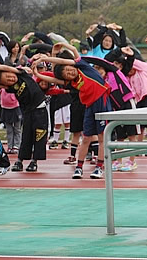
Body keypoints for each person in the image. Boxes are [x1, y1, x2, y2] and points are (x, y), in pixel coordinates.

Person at [31, 43, 111, 179]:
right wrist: (37, 73)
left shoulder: (82, 67)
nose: (70, 72)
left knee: (102, 137)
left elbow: (69, 55)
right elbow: (54, 78)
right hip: (90, 106)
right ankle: (79, 167)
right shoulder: (71, 82)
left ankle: (99, 167)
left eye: (69, 69)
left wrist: (46, 58)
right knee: (85, 138)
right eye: (67, 74)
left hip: (102, 102)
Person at [0, 64, 50, 172]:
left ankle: (34, 162)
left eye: (9, 76)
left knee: (39, 136)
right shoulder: (10, 88)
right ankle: (19, 161)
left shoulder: (22, 75)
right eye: (7, 80)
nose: (10, 79)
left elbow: (6, 68)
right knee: (26, 136)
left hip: (40, 111)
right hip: (28, 113)